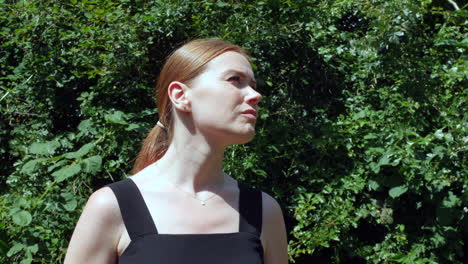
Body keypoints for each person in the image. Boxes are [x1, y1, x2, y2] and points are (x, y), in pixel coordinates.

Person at [64, 39, 288, 264]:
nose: (254, 95)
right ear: (181, 96)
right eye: (235, 80)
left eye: (253, 85)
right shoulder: (112, 206)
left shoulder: (264, 211)